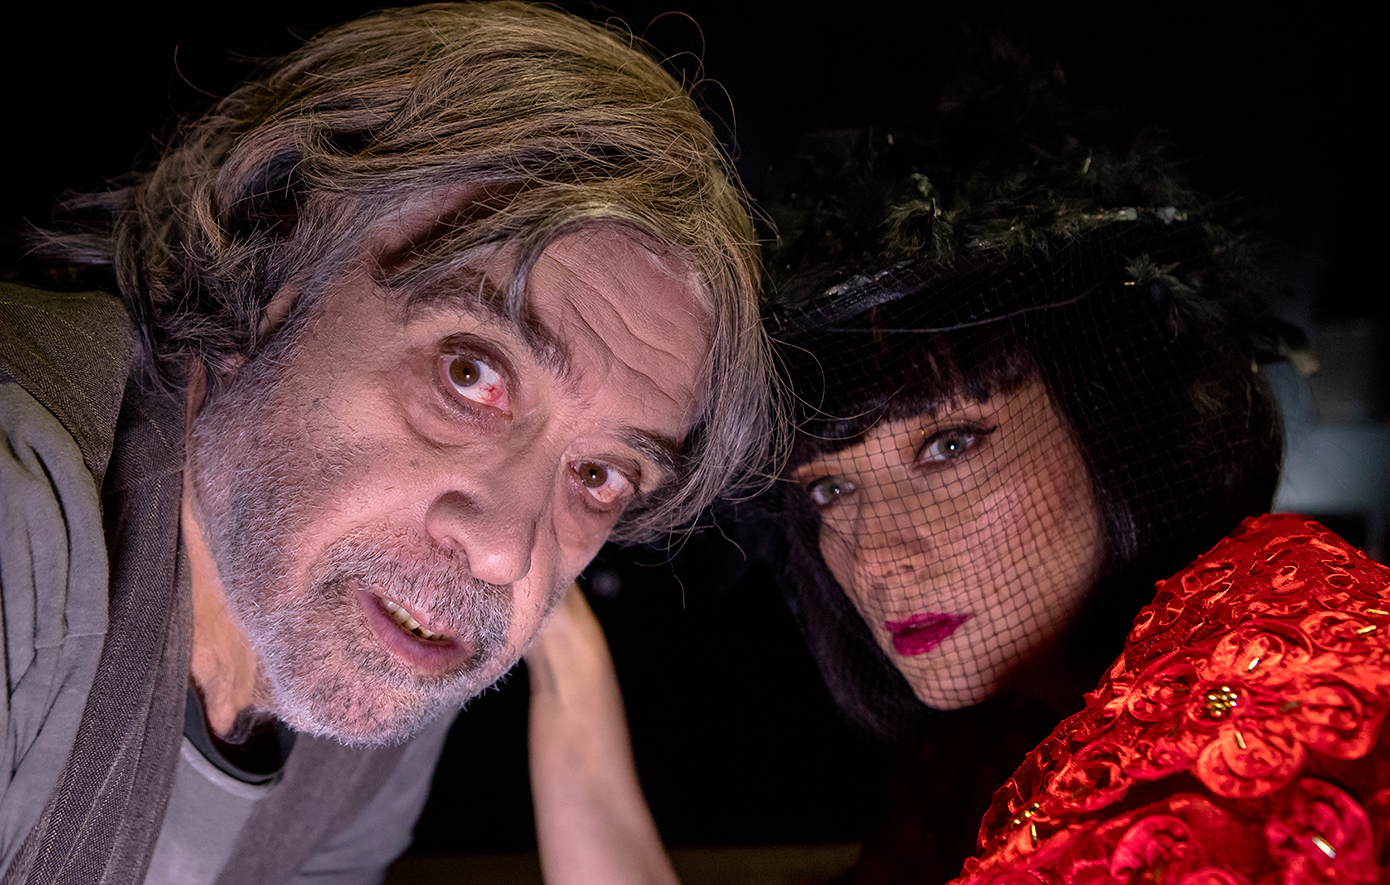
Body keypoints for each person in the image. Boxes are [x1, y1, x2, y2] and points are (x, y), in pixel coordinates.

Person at [0, 3, 772, 882]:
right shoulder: (24, 512)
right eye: (470, 374)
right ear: (275, 267)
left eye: (597, 473)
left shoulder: (378, 659)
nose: (503, 552)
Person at [759, 79, 1386, 879]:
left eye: (949, 444)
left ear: (1112, 422)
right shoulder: (997, 734)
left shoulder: (1283, 693)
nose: (877, 557)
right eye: (828, 488)